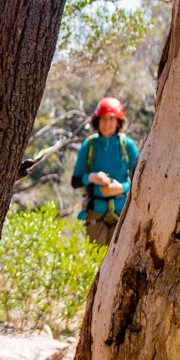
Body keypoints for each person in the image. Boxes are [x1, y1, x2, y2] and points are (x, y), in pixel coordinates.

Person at [71, 97, 140, 247]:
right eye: (103, 118)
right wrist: (91, 177)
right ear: (97, 121)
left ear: (118, 122)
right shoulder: (89, 145)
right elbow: (75, 181)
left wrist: (121, 188)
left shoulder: (127, 145)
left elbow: (142, 180)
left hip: (122, 214)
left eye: (111, 119)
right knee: (97, 258)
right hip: (95, 214)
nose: (107, 123)